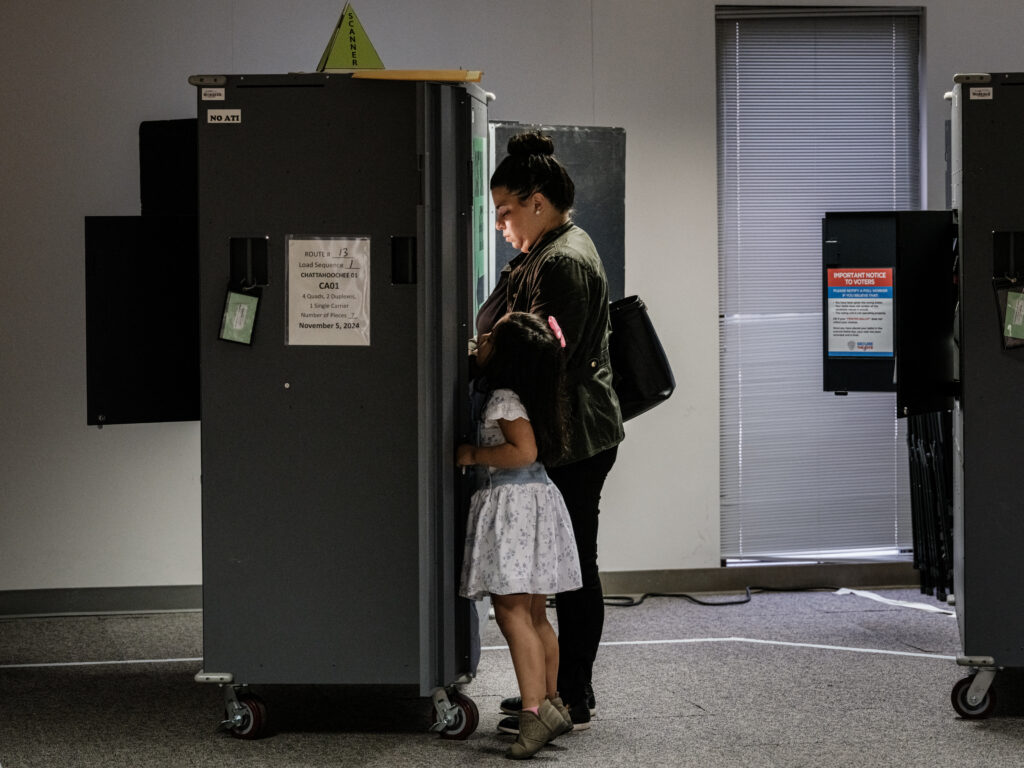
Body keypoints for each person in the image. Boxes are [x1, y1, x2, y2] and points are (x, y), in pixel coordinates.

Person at [476, 132, 625, 733]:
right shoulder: (553, 248)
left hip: (574, 440)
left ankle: (574, 695)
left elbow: (540, 357)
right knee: (560, 568)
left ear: (537, 202)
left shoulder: (562, 260)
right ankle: (555, 689)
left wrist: (486, 357)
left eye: (506, 212)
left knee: (572, 571)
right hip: (570, 433)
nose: (501, 226)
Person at [457, 311, 580, 759]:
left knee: (511, 615)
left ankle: (532, 717)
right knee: (536, 615)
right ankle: (552, 704)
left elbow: (521, 450)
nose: (481, 338)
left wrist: (473, 451)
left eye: (490, 335)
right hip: (538, 504)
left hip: (512, 509)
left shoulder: (503, 398)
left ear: (506, 356)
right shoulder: (533, 394)